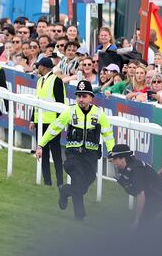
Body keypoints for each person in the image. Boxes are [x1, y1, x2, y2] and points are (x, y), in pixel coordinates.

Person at [35, 80, 115, 220]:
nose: (81, 99)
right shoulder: (69, 111)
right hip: (73, 156)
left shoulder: (99, 114)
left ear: (91, 98)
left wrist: (112, 152)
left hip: (90, 157)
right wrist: (40, 145)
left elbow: (108, 135)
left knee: (84, 184)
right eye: (79, 96)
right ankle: (80, 215)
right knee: (78, 180)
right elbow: (54, 129)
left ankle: (65, 191)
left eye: (84, 96)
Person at [109, 144, 162, 230]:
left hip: (158, 195)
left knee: (141, 223)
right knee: (137, 222)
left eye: (115, 159)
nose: (112, 162)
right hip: (150, 195)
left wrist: (137, 219)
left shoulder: (136, 169)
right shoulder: (126, 167)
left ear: (123, 158)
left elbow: (141, 194)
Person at [30, 57, 66, 187]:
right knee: (42, 153)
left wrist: (59, 123)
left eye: (38, 66)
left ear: (44, 67)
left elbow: (60, 103)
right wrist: (32, 120)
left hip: (52, 123)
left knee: (56, 154)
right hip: (40, 122)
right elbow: (37, 101)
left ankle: (60, 182)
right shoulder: (40, 80)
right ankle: (47, 181)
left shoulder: (56, 80)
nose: (37, 68)